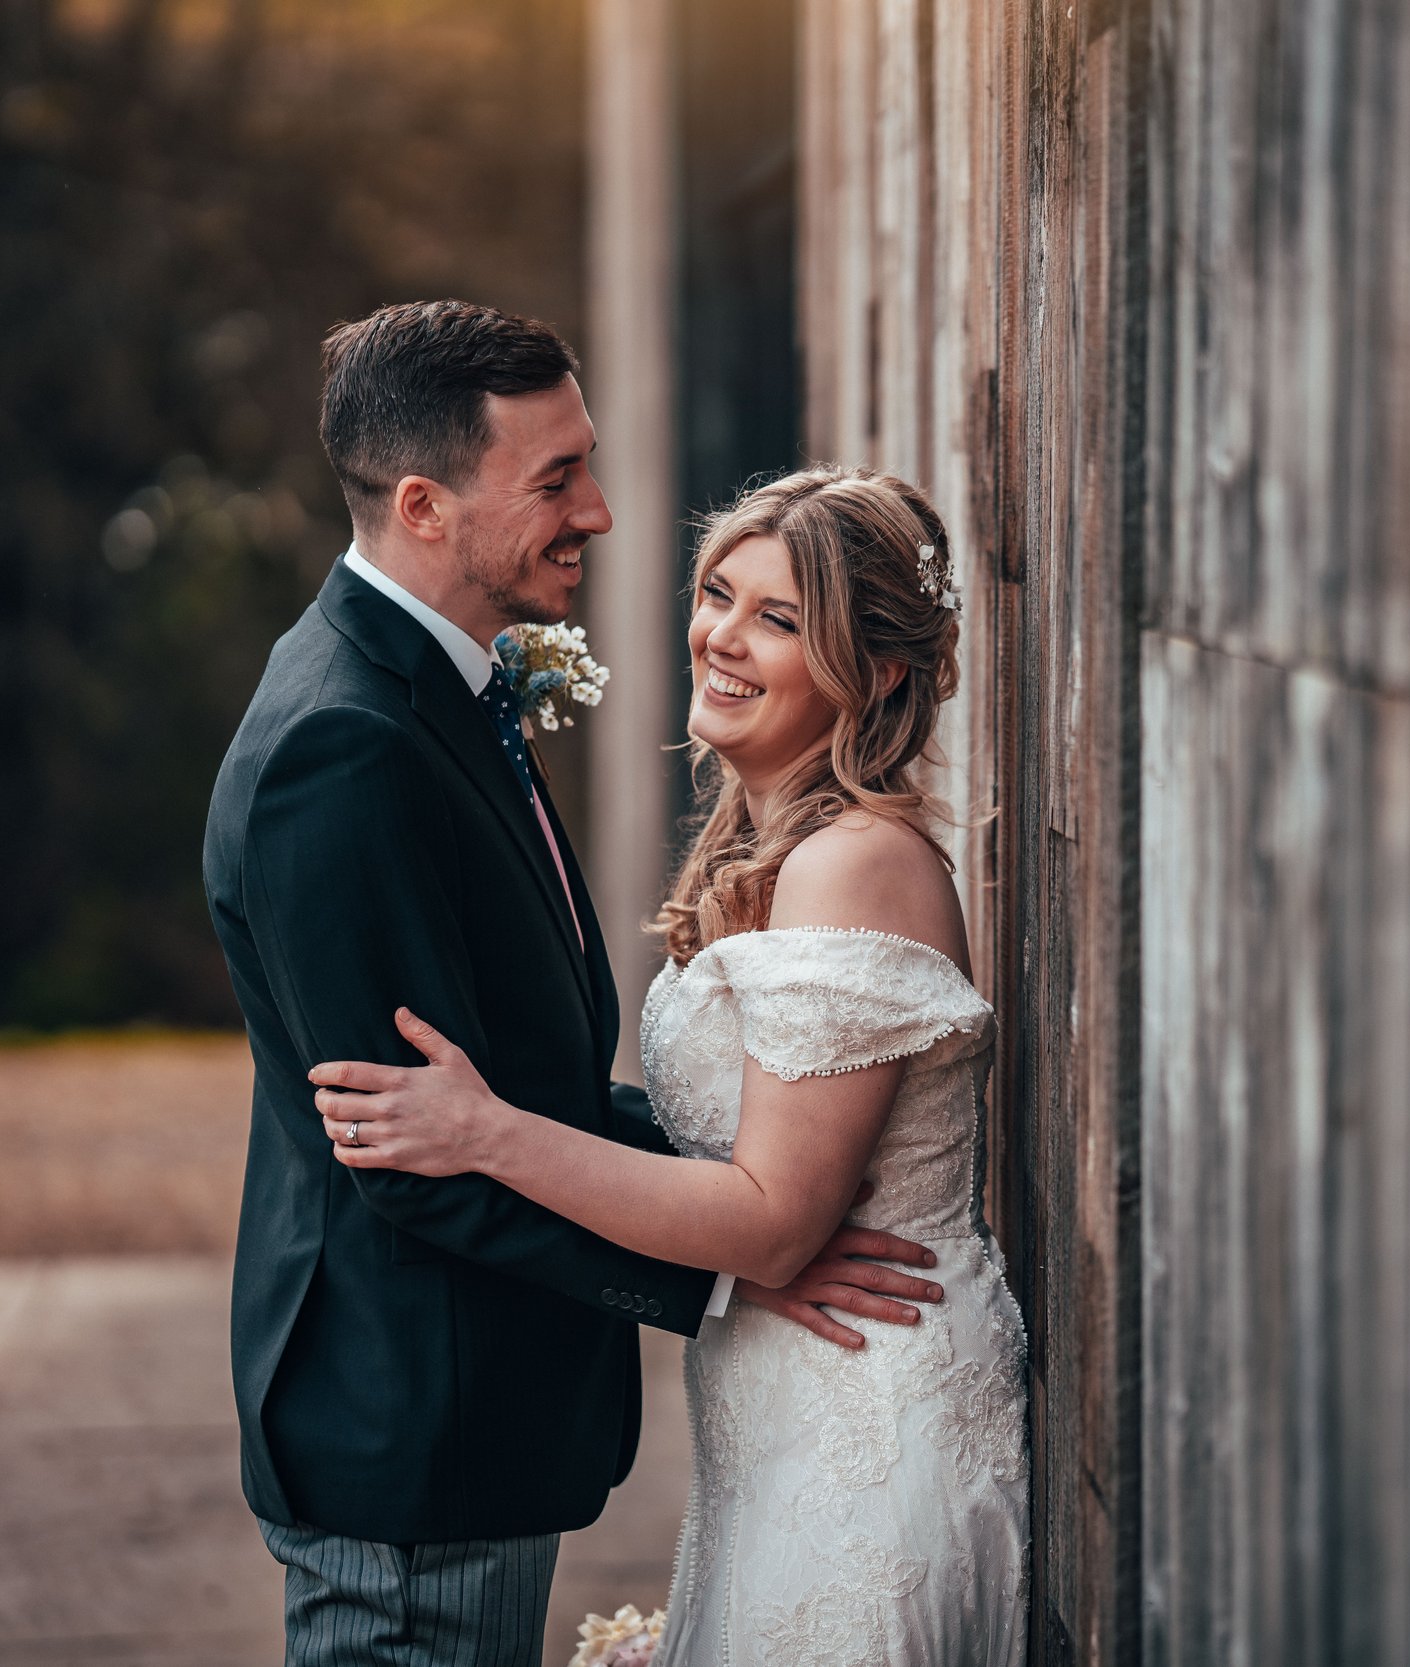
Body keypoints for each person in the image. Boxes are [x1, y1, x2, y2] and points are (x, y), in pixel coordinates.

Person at [201, 303, 946, 1667]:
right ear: (426, 505)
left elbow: (503, 1094)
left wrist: (754, 1217)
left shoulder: (433, 690)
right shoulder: (342, 746)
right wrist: (744, 1254)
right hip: (417, 1437)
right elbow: (411, 1144)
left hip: (477, 1426)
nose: (599, 513)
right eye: (555, 477)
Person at [311, 465, 1031, 1664]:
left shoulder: (853, 863)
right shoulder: (769, 847)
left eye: (781, 619)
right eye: (718, 594)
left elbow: (769, 1223)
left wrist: (486, 1130)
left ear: (882, 670)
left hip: (865, 1421)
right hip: (783, 1412)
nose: (722, 638)